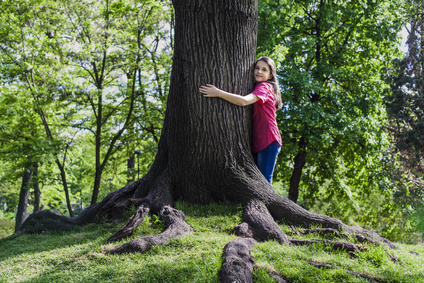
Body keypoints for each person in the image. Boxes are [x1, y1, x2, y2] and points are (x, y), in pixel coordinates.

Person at [199, 56, 282, 184]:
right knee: (256, 180)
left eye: (264, 70)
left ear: (270, 75)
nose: (259, 71)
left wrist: (218, 93)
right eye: (257, 68)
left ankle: (268, 205)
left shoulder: (265, 87)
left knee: (264, 182)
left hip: (269, 140)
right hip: (261, 141)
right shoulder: (258, 86)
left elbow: (244, 101)